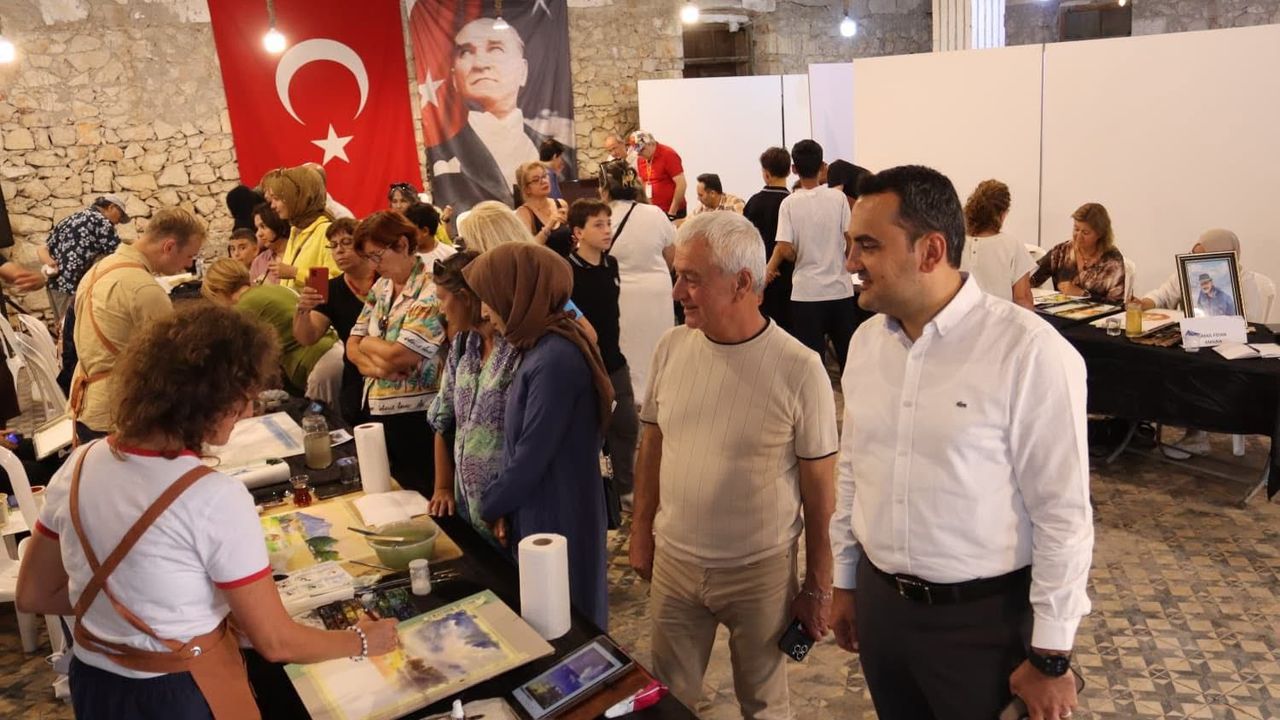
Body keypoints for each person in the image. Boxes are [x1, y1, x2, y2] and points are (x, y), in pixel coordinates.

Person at [15, 304, 398, 720]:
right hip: (180, 690)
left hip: (96, 682)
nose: (248, 412)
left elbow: (34, 593)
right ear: (206, 401)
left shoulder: (81, 462)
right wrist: (363, 640)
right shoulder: (213, 496)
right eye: (242, 400)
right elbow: (275, 641)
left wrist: (130, 615)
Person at [831, 165, 1093, 720]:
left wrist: (1050, 656)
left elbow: (1063, 515)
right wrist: (845, 581)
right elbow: (853, 471)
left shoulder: (1029, 352)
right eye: (851, 245)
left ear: (931, 251)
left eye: (868, 246)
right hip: (882, 609)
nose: (851, 262)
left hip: (982, 625)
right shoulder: (866, 344)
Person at [628, 211, 838, 719]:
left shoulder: (799, 368)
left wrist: (818, 586)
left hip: (759, 571)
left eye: (692, 278)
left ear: (743, 283)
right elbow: (652, 447)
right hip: (675, 562)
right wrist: (641, 530)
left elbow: (821, 492)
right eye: (677, 275)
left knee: (764, 703)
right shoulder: (671, 347)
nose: (677, 291)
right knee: (670, 700)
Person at [463, 242, 614, 630]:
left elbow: (531, 454)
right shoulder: (540, 348)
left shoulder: (556, 358)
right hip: (541, 504)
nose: (485, 312)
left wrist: (492, 505)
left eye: (490, 299)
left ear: (518, 294)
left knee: (566, 621)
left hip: (557, 510)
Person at [71, 207, 205, 442]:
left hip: (87, 404)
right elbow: (169, 361)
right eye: (189, 256)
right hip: (121, 411)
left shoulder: (99, 268)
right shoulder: (144, 289)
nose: (188, 264)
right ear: (169, 247)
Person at [427, 18, 577, 212]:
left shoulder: (562, 158)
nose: (480, 64)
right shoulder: (441, 157)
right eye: (466, 52)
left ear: (523, 71)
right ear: (455, 77)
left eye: (496, 49)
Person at [426, 251, 522, 549]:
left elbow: (525, 440)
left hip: (509, 512)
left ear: (466, 298)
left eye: (443, 299)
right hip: (468, 508)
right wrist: (443, 487)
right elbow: (443, 420)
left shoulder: (515, 348)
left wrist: (504, 503)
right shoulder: (462, 346)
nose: (440, 308)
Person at [348, 212, 446, 495]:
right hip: (377, 408)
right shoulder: (382, 287)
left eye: (376, 256)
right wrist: (380, 369)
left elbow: (400, 356)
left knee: (421, 494)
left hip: (418, 416)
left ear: (402, 245)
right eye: (368, 258)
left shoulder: (431, 287)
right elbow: (351, 346)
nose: (373, 265)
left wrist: (369, 343)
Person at [765, 139, 862, 370]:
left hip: (806, 293)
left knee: (812, 365)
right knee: (848, 360)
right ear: (822, 166)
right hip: (840, 289)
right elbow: (850, 239)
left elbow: (784, 247)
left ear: (794, 169)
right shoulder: (838, 199)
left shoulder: (789, 203)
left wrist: (787, 259)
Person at [567, 200, 640, 501]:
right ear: (578, 232)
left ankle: (624, 489)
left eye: (608, 223)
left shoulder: (612, 264)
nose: (607, 230)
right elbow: (559, 303)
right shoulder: (567, 269)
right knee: (590, 431)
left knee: (627, 424)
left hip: (613, 359)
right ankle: (593, 493)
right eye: (598, 225)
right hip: (583, 363)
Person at [202, 258, 343, 406]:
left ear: (218, 291)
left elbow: (240, 361)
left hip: (319, 364)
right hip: (334, 350)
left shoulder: (242, 310)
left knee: (321, 417)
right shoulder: (276, 289)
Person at [599, 159, 675, 401]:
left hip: (621, 292)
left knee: (627, 347)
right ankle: (661, 393)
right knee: (658, 345)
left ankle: (631, 397)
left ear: (605, 190)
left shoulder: (603, 218)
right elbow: (671, 254)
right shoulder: (656, 214)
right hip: (657, 289)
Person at [293, 218, 376, 424]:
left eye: (346, 242)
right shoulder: (329, 288)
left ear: (363, 244)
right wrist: (303, 309)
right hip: (356, 380)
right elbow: (308, 337)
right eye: (333, 245)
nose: (339, 250)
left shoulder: (385, 279)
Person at [39, 195, 128, 326]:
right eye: (120, 216)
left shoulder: (70, 219)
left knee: (62, 329)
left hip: (54, 284)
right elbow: (118, 253)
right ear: (111, 207)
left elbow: (43, 248)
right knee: (73, 331)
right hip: (71, 287)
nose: (119, 221)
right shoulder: (102, 221)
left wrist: (51, 263)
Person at [261, 165, 341, 292]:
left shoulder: (327, 231)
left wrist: (295, 273)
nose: (273, 206)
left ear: (297, 198)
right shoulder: (296, 230)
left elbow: (337, 282)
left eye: (277, 199)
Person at [961, 179, 1036, 309]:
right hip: (999, 319)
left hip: (960, 319)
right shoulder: (1012, 246)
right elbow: (1022, 298)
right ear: (1002, 214)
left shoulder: (953, 242)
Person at [1031, 203, 1125, 302]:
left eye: (1085, 233)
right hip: (1060, 310)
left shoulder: (1112, 260)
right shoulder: (1061, 252)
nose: (1078, 237)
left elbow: (1117, 304)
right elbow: (1031, 278)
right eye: (1076, 229)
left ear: (1100, 234)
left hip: (1097, 312)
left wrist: (1082, 294)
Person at [744, 147, 794, 333]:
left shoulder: (754, 202)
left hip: (758, 275)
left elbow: (746, 240)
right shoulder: (792, 203)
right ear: (789, 171)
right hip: (788, 277)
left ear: (766, 174)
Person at [515, 162, 573, 256]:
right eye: (536, 180)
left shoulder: (561, 204)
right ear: (526, 189)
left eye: (545, 176)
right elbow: (529, 249)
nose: (543, 181)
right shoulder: (524, 213)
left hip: (567, 262)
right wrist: (549, 225)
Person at [629, 131, 687, 221]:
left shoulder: (668, 154)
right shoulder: (641, 159)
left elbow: (681, 184)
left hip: (671, 211)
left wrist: (672, 212)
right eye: (638, 151)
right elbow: (643, 182)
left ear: (650, 144)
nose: (640, 154)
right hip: (653, 211)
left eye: (641, 150)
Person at [404, 202, 458, 266]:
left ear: (425, 231)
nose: (406, 235)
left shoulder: (450, 255)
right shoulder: (403, 256)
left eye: (411, 231)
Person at [249, 202, 290, 286]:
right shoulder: (259, 262)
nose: (258, 234)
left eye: (263, 226)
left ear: (276, 224)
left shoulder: (300, 254)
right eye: (257, 228)